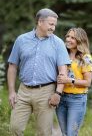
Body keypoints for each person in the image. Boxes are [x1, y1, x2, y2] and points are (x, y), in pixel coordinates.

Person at [7, 8, 70, 136]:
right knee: (15, 128)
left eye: (55, 25)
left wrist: (58, 93)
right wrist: (12, 91)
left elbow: (63, 71)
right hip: (23, 91)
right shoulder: (21, 40)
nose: (53, 28)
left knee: (44, 132)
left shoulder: (58, 43)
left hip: (46, 92)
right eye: (51, 24)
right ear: (40, 22)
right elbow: (12, 66)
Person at [56, 27, 92, 136]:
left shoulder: (86, 58)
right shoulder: (62, 55)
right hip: (61, 98)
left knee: (71, 134)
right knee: (65, 133)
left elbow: (87, 82)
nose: (68, 39)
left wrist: (68, 80)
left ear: (80, 40)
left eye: (72, 37)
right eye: (67, 36)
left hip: (77, 100)